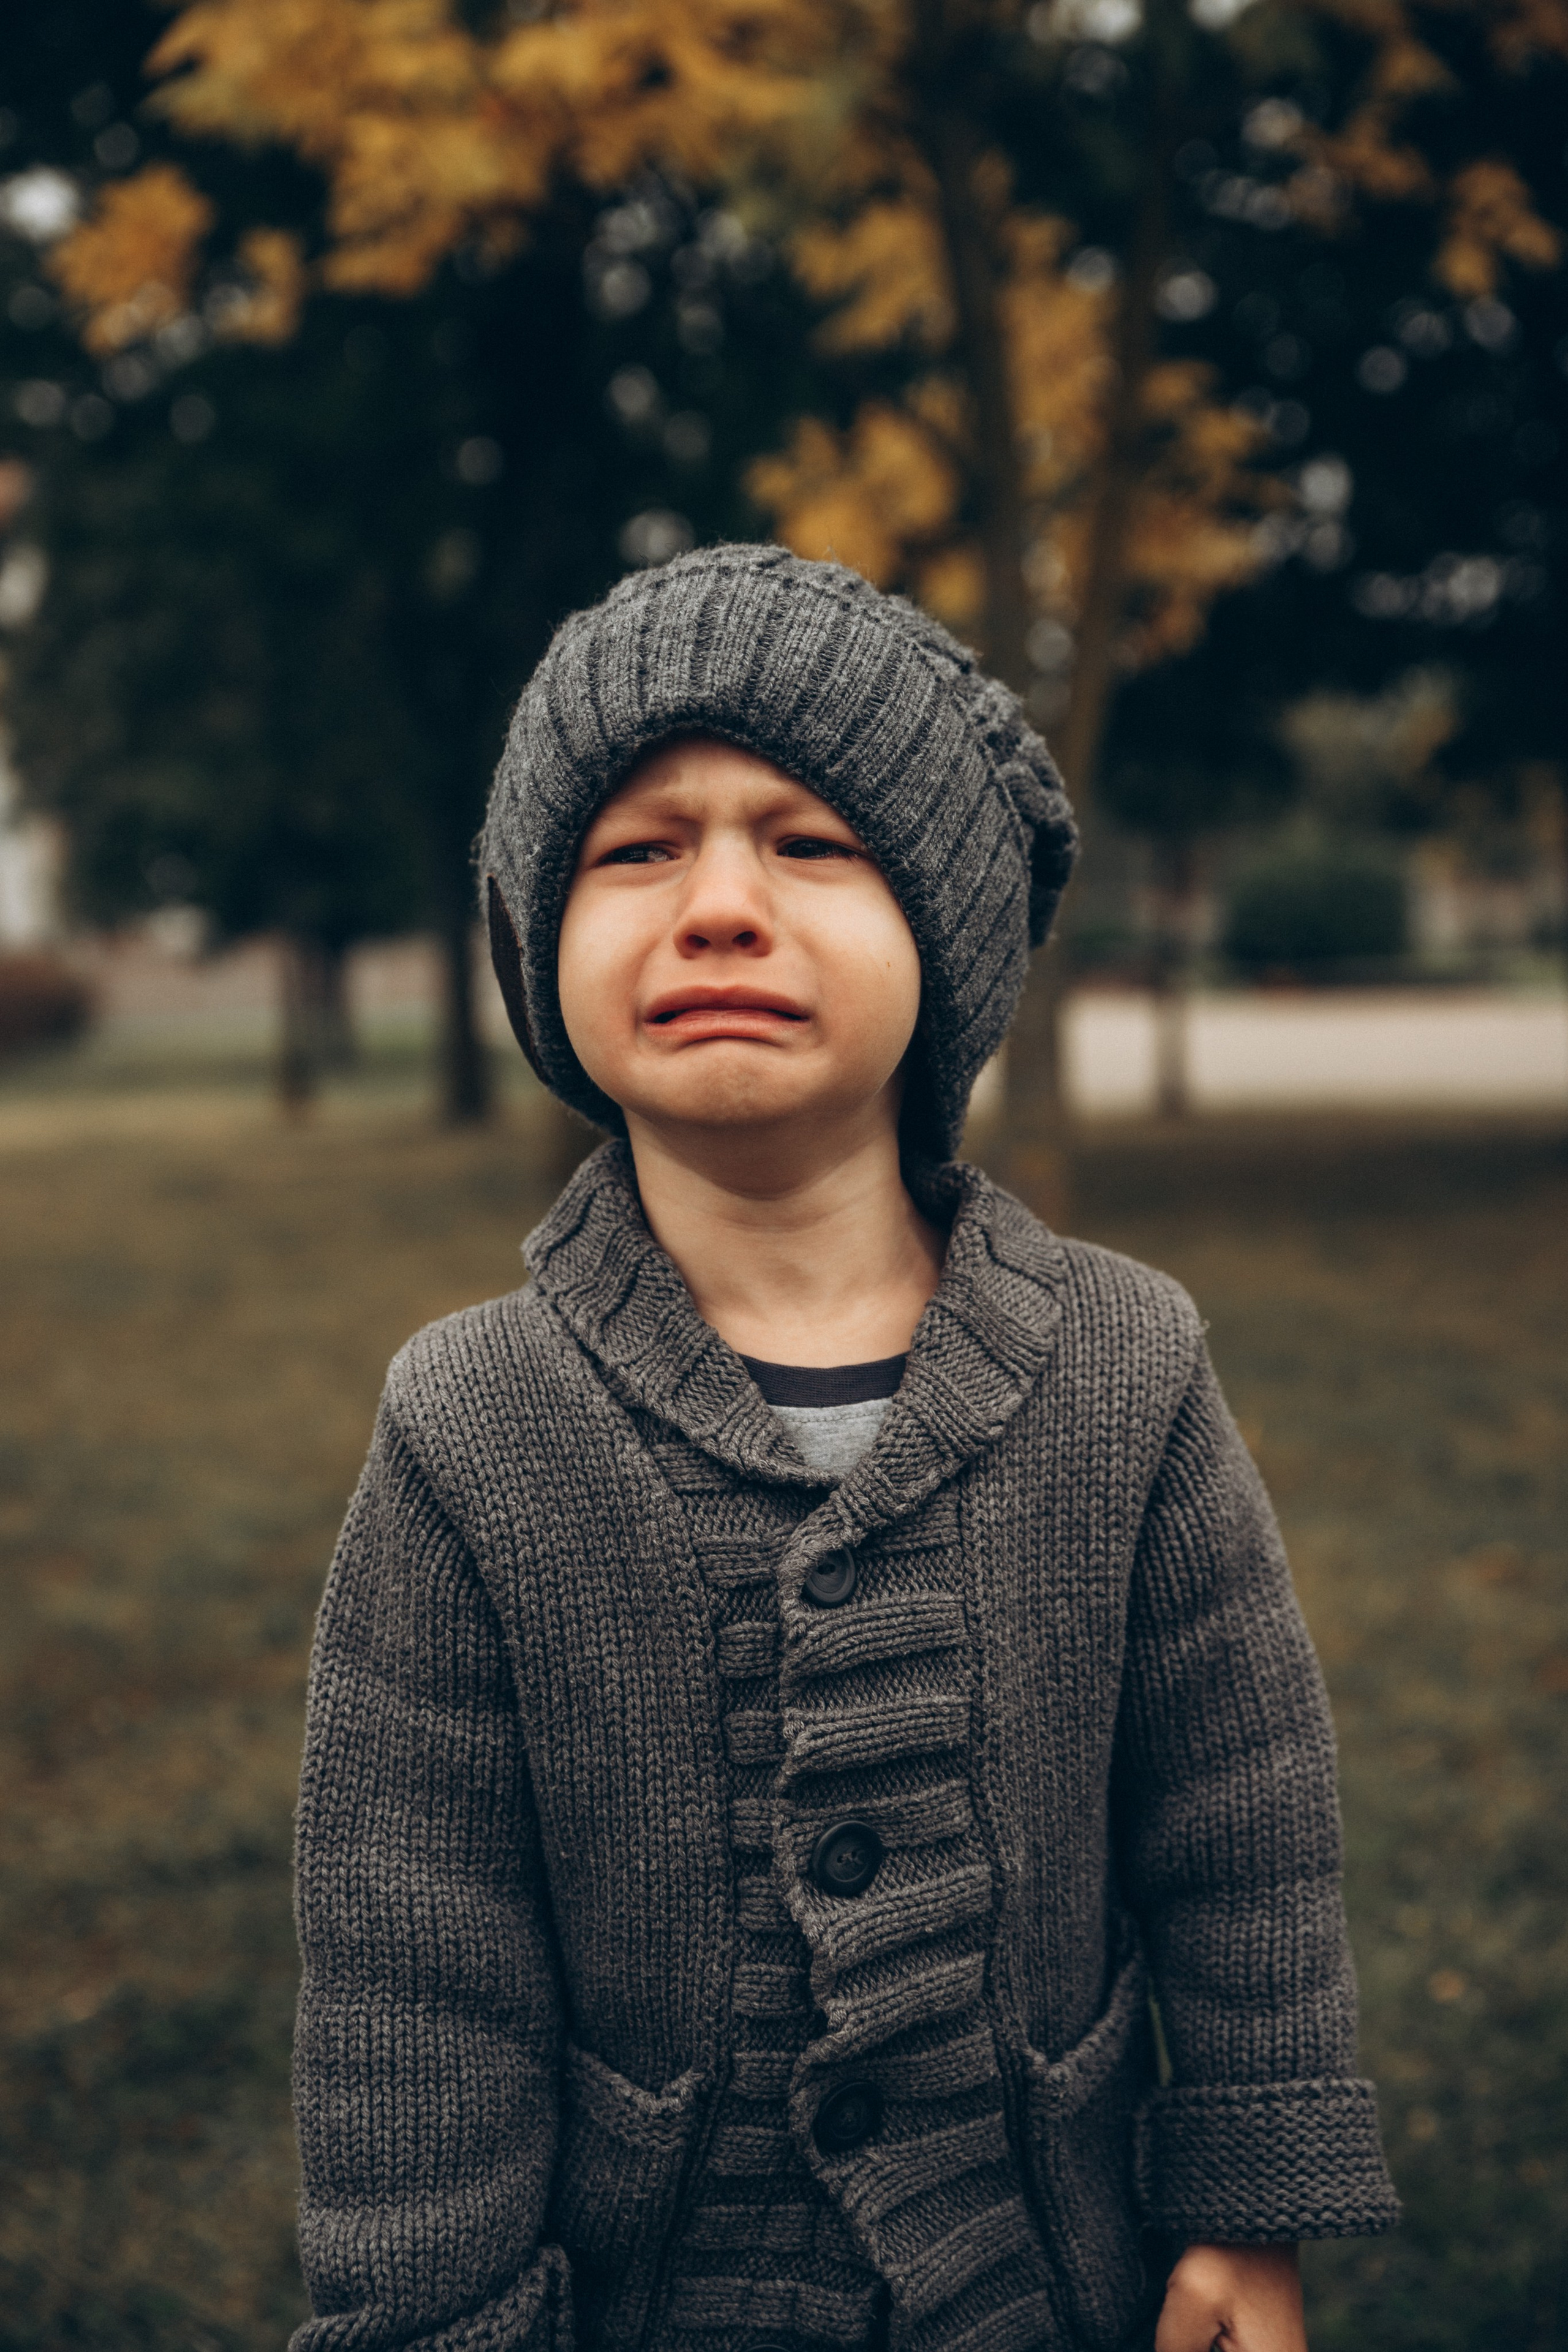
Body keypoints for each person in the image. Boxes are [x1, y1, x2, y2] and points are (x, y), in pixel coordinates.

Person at [290, 545, 1398, 2352]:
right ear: (538, 945)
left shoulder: (1126, 1368)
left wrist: (1249, 2205)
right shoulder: (470, 1427)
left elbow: (1242, 1822)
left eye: (811, 842)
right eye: (637, 850)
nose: (720, 904)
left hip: (1060, 2285)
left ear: (944, 935)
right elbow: (412, 1970)